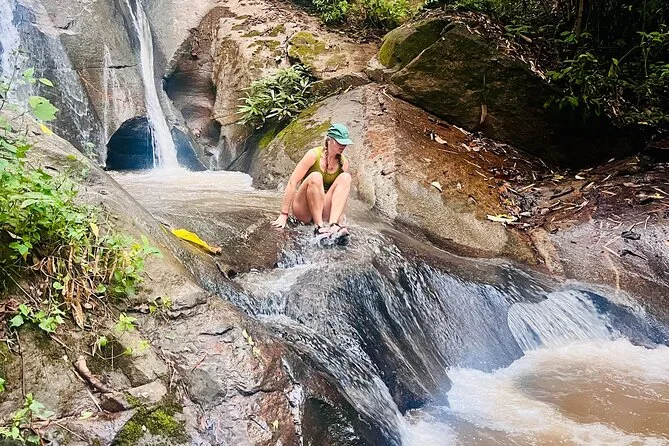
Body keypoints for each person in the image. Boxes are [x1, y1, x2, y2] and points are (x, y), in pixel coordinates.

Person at [270, 123, 353, 236]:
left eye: (345, 143)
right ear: (330, 140)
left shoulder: (343, 162)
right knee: (316, 176)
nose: (343, 146)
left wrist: (341, 218)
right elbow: (292, 182)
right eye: (340, 142)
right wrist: (283, 214)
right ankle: (319, 226)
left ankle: (333, 225)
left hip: (323, 208)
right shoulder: (313, 155)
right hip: (304, 209)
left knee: (346, 177)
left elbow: (342, 194)